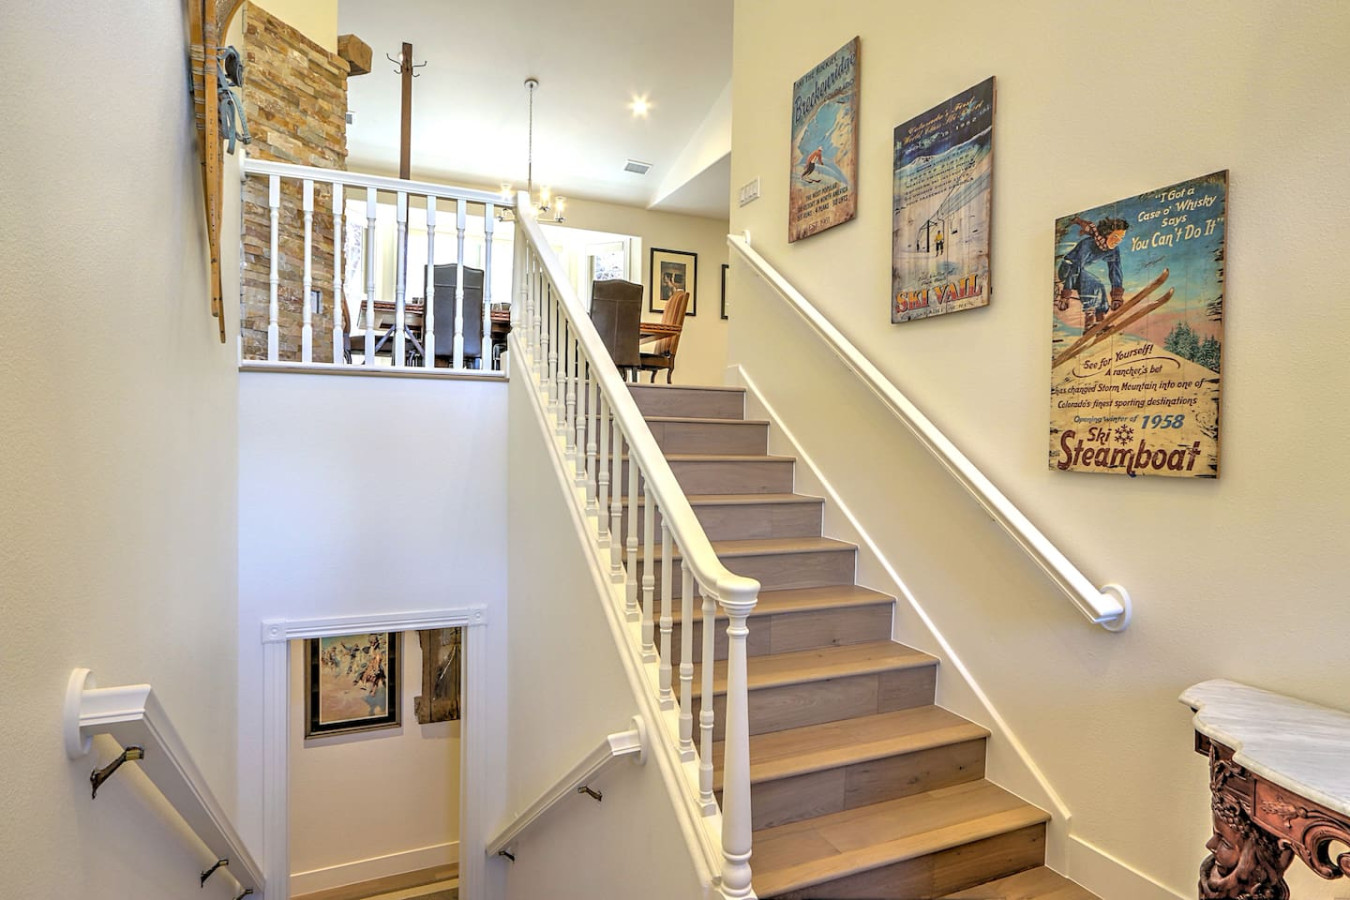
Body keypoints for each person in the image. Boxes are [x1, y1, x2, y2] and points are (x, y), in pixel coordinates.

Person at [1056, 216, 1129, 328]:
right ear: (1106, 233)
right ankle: (1089, 323)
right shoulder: (1088, 245)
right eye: (1115, 237)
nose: (1117, 241)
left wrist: (1117, 297)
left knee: (1099, 285)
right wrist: (1065, 295)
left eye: (1121, 238)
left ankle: (1100, 322)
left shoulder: (1113, 250)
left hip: (1079, 273)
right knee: (1091, 282)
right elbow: (1076, 267)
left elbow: (1116, 270)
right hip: (1068, 270)